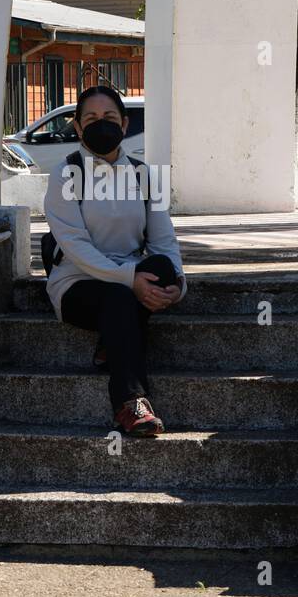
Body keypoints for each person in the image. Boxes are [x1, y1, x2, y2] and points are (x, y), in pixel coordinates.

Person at [43, 85, 187, 436]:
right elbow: (74, 245)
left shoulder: (141, 174)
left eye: (109, 117)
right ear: (77, 127)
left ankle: (113, 338)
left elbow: (163, 239)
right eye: (90, 118)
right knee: (121, 297)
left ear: (124, 124)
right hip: (77, 282)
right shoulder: (66, 173)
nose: (100, 124)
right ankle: (130, 403)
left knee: (164, 272)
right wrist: (128, 278)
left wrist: (178, 286)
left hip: (129, 278)